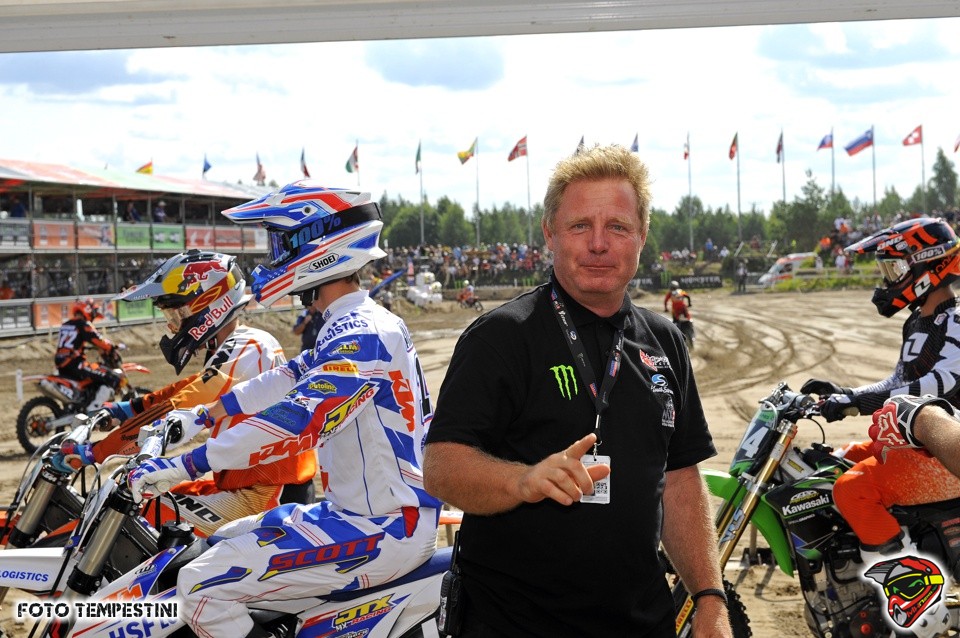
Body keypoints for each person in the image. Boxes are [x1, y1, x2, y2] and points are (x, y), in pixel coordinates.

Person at [422, 144, 731, 637]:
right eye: (580, 225)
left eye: (618, 227)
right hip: (513, 625)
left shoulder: (665, 342)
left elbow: (679, 479)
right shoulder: (500, 337)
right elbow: (441, 468)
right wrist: (523, 480)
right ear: (550, 233)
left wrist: (710, 598)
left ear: (642, 236)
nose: (598, 244)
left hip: (642, 623)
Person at [126, 182, 440, 638]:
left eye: (281, 245)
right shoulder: (355, 322)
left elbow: (296, 420)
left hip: (380, 528)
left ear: (319, 247)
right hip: (364, 517)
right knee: (215, 541)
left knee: (200, 585)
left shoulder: (362, 332)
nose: (273, 259)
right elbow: (288, 376)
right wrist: (201, 417)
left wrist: (185, 465)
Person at [52, 250, 316, 537]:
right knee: (138, 499)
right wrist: (130, 408)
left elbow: (186, 401)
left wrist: (98, 452)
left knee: (140, 516)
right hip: (247, 485)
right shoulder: (239, 345)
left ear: (210, 304)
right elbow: (188, 388)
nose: (172, 324)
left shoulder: (249, 346)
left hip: (267, 496)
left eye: (177, 313)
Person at [801, 217, 960, 560]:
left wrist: (860, 401)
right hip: (916, 444)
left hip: (947, 454)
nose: (888, 281)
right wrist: (847, 394)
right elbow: (897, 382)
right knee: (839, 460)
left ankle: (907, 580)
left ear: (927, 267)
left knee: (851, 489)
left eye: (895, 269)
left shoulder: (956, 320)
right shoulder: (917, 321)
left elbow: (938, 384)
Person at [54, 298, 122, 411]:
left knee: (90, 381)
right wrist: (111, 347)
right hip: (75, 364)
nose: (93, 316)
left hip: (61, 363)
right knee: (111, 378)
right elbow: (98, 339)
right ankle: (92, 410)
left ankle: (80, 405)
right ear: (87, 310)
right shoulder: (83, 324)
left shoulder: (66, 324)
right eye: (93, 312)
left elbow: (73, 343)